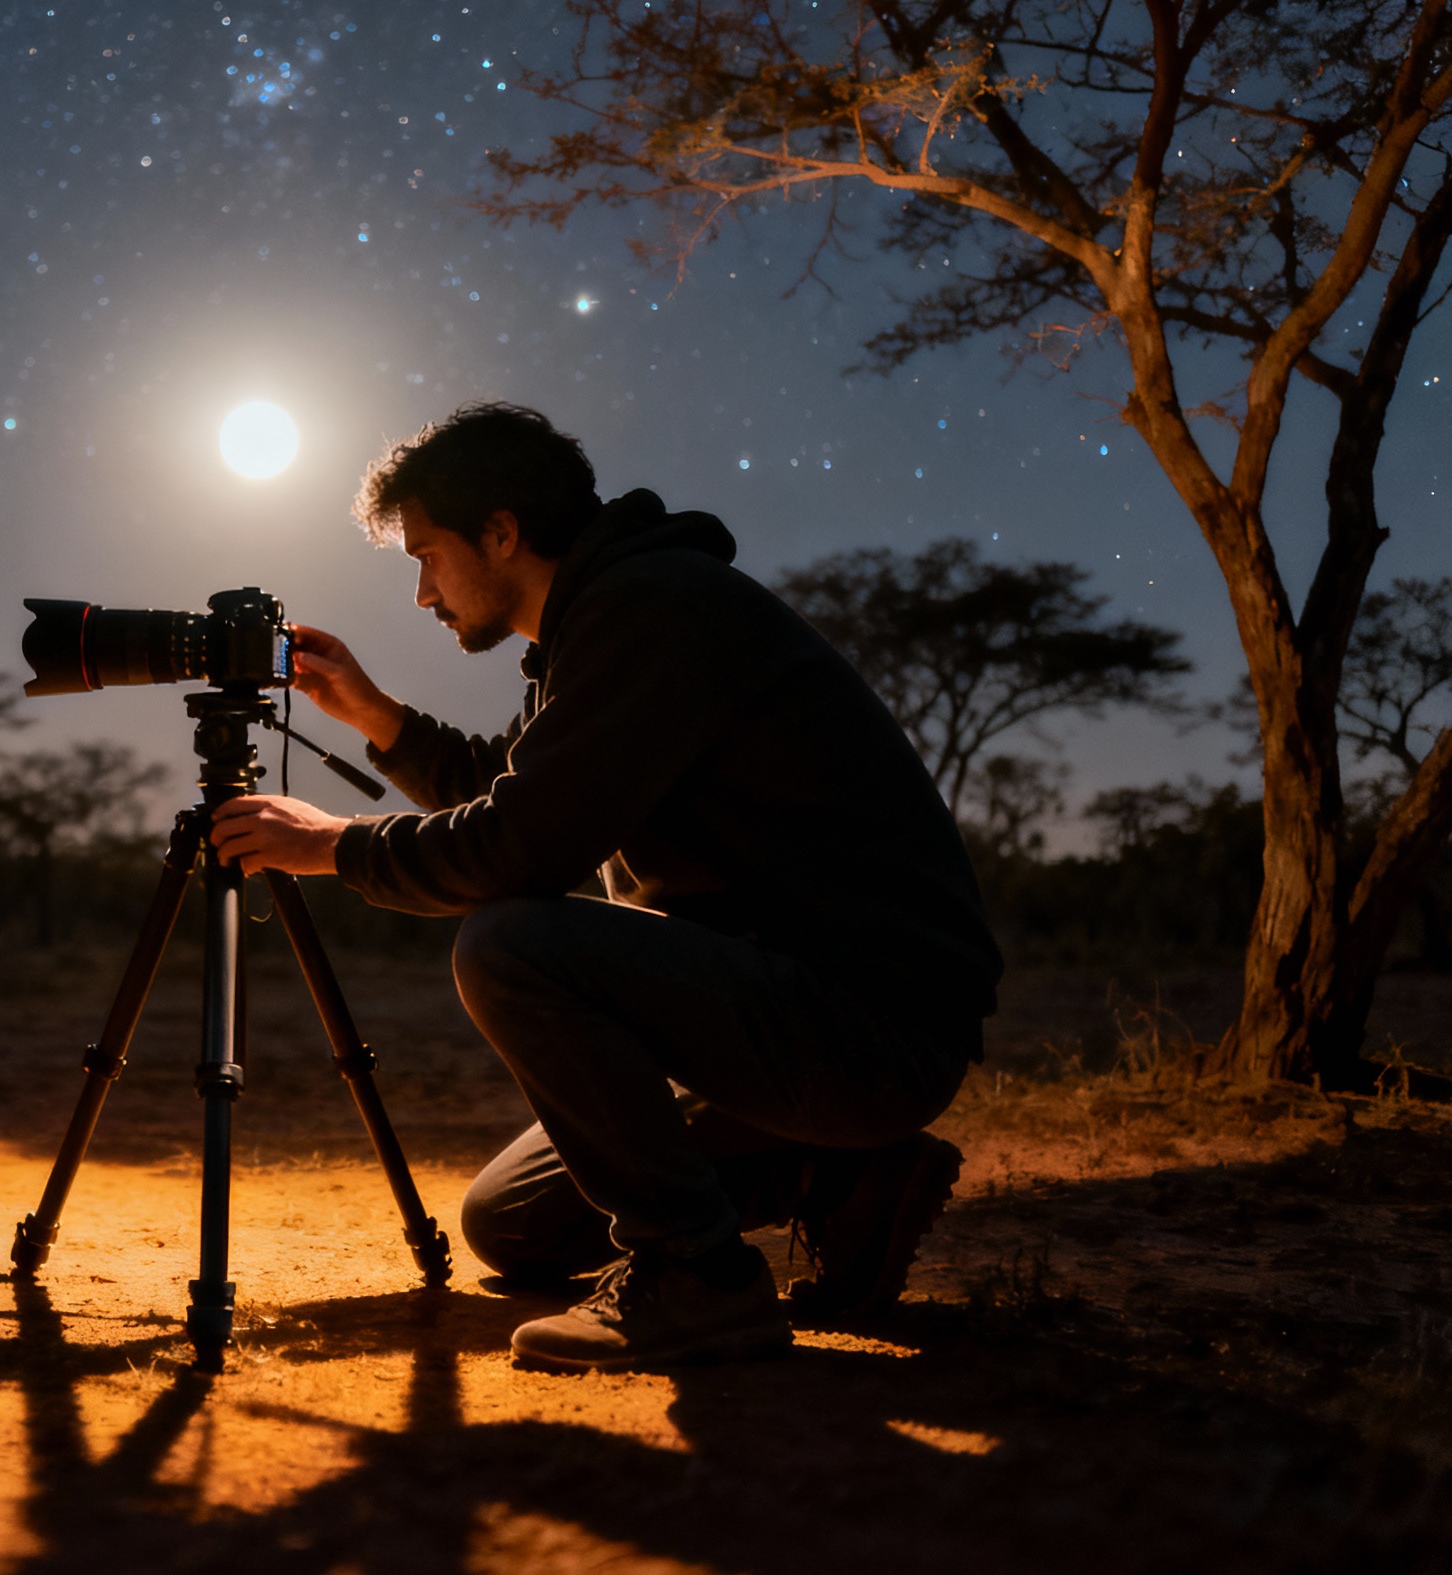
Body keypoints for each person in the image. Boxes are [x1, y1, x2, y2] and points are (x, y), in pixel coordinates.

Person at [207, 403, 1001, 1373]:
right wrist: (373, 712)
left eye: (427, 555)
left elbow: (517, 847)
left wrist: (335, 843)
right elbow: (521, 789)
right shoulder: (610, 620)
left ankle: (698, 1279)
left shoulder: (656, 607)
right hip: (783, 1015)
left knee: (508, 939)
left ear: (501, 531)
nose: (422, 592)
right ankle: (840, 1172)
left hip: (864, 1027)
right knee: (515, 1225)